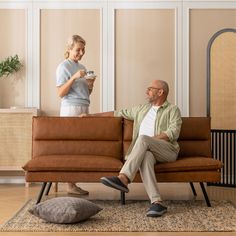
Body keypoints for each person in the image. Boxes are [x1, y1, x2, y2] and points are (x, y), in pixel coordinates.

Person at [97, 80, 182, 217]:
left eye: (150, 89)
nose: (146, 91)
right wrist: (90, 115)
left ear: (160, 92)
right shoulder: (142, 109)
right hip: (148, 151)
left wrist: (149, 141)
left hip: (168, 150)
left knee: (142, 138)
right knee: (146, 158)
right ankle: (157, 203)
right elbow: (117, 113)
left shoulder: (173, 110)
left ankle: (124, 178)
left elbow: (173, 133)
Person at [56, 34, 96, 195]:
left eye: (83, 49)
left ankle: (73, 183)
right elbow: (60, 93)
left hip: (84, 107)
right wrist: (74, 77)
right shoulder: (63, 67)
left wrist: (91, 85)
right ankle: (70, 184)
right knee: (70, 147)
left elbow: (86, 93)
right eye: (78, 49)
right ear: (69, 49)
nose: (81, 52)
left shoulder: (82, 67)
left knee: (81, 146)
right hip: (70, 109)